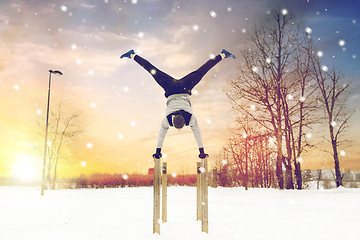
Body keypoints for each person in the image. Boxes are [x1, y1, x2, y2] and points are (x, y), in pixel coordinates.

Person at [120, 49, 236, 159]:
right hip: (170, 88)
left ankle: (222, 54)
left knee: (201, 71)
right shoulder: (168, 119)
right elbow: (161, 134)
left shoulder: (190, 119)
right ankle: (132, 55)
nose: (179, 130)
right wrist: (157, 152)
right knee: (153, 71)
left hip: (185, 87)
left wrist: (202, 152)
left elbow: (197, 133)